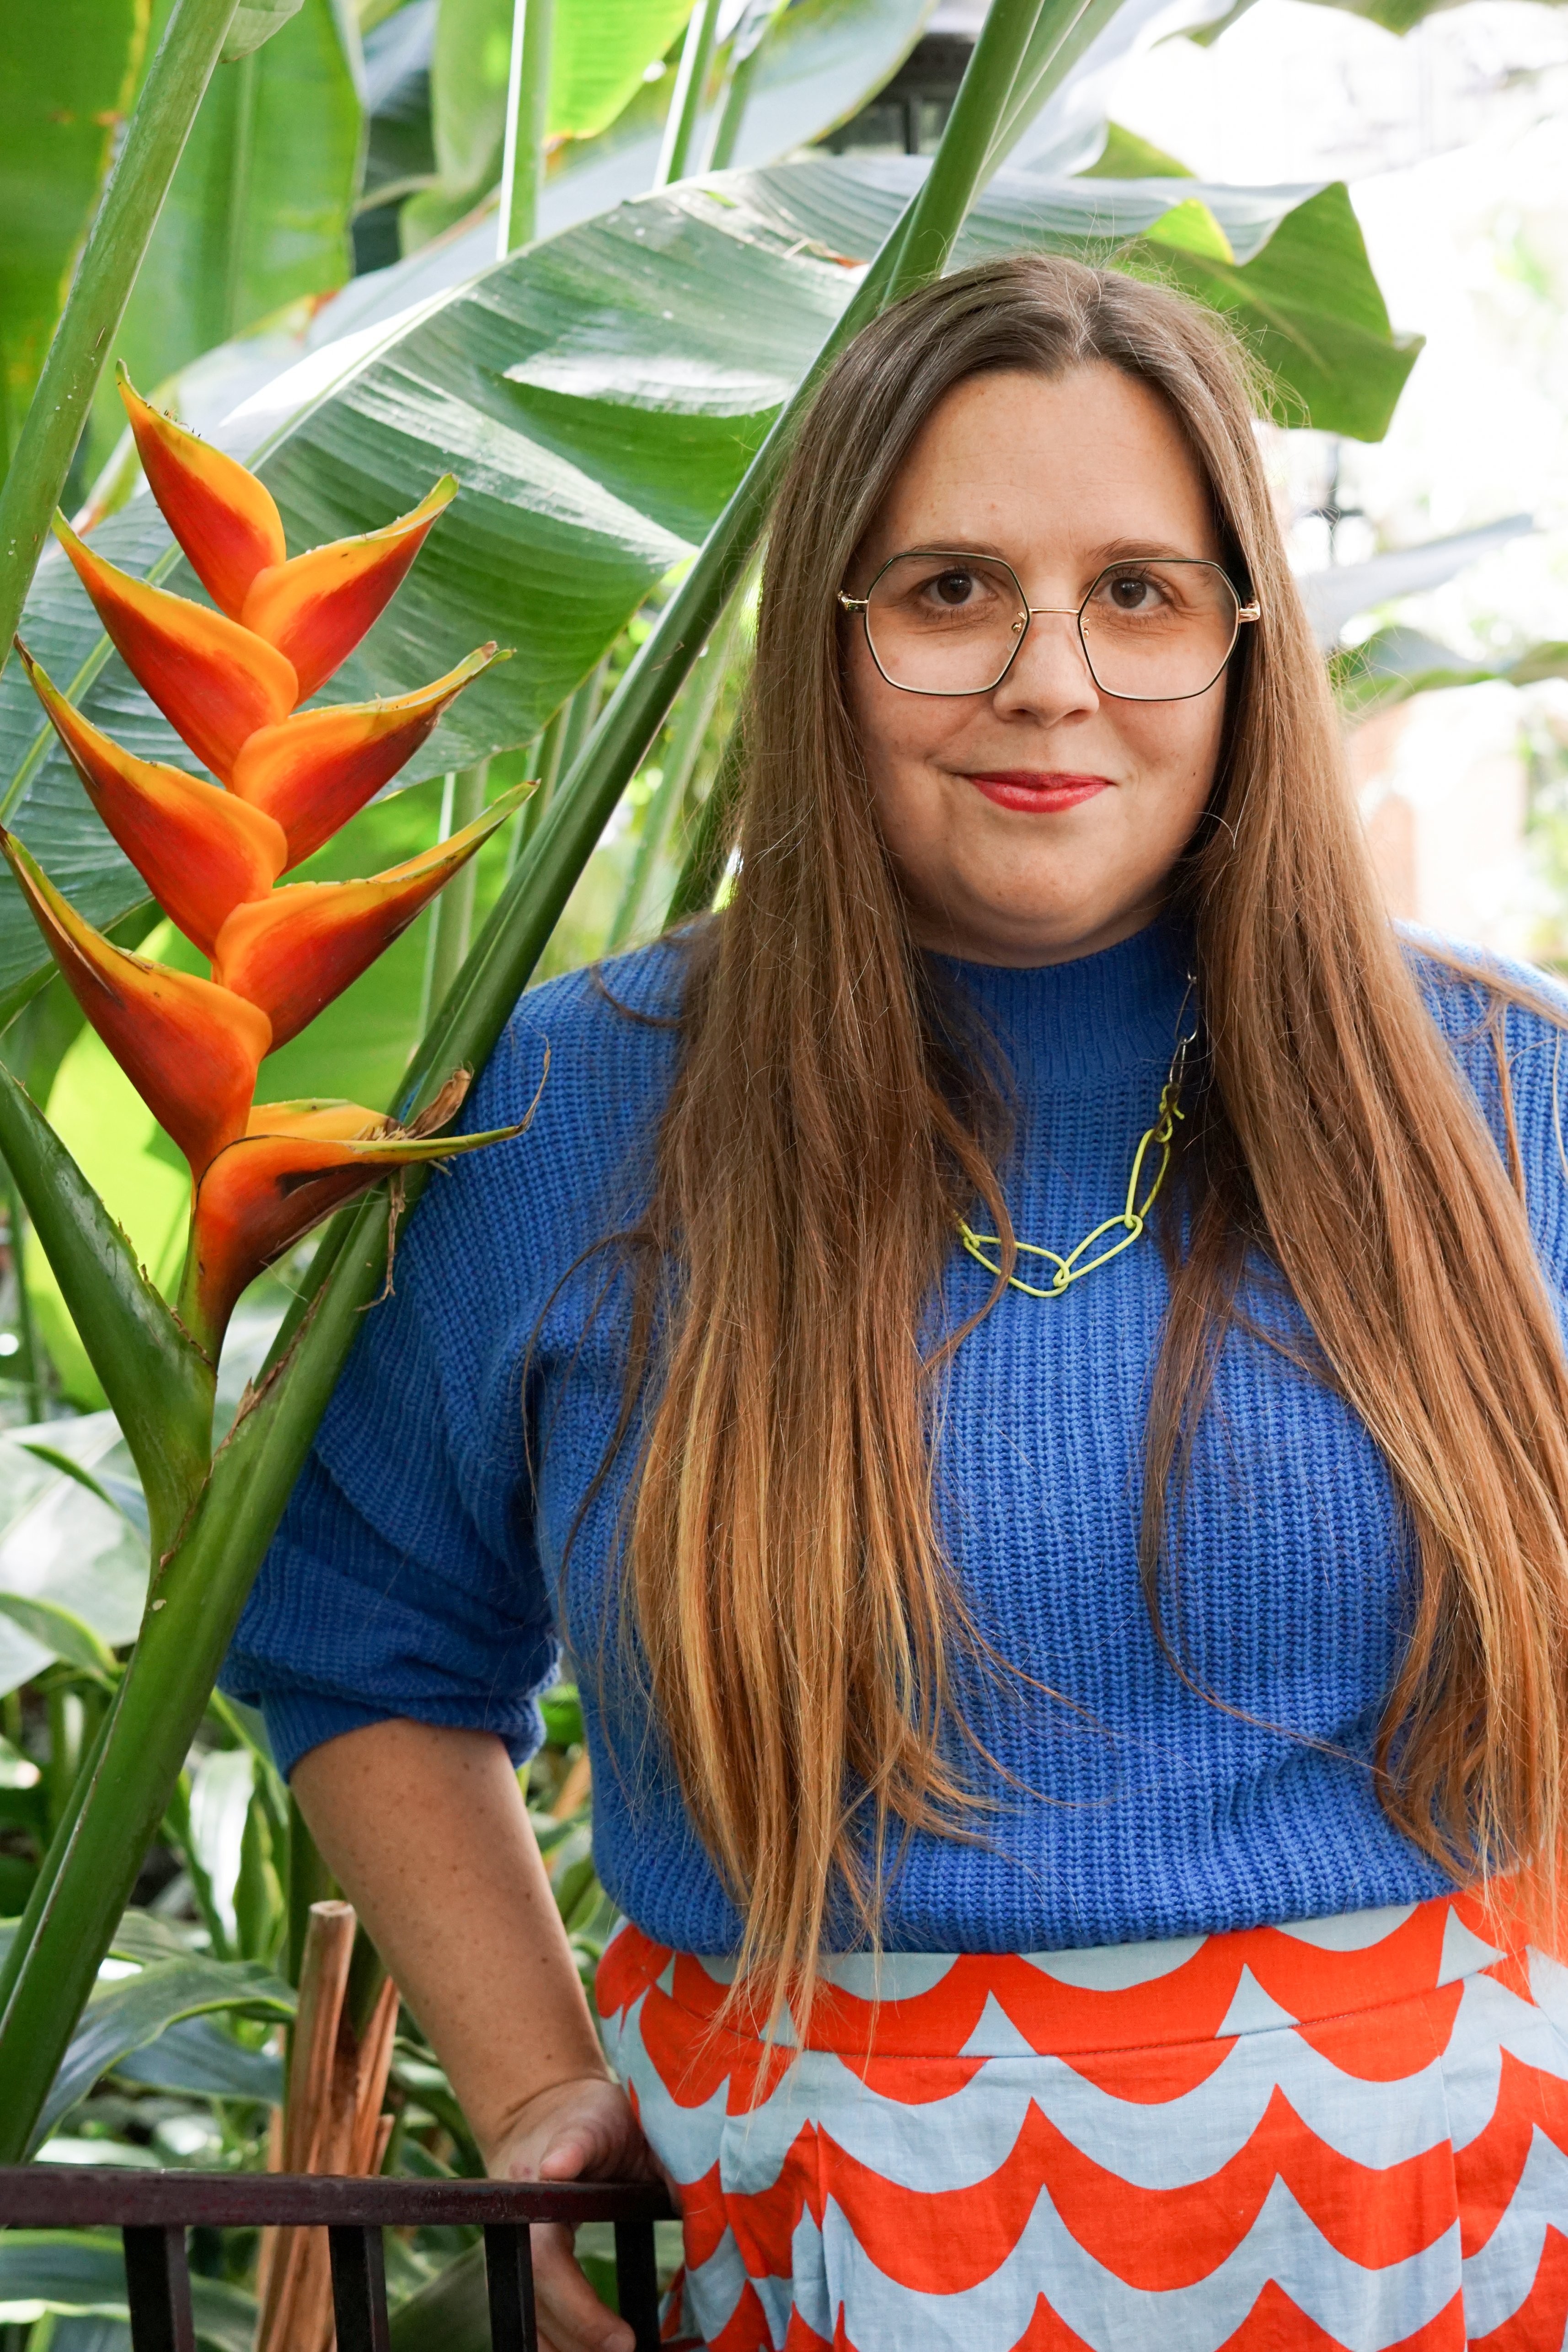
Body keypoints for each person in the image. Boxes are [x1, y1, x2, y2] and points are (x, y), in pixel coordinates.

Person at [223, 255, 1568, 2352]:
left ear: (1243, 638)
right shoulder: (573, 1111)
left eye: (1139, 588)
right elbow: (352, 1630)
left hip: (1466, 2247)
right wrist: (537, 2078)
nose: (1052, 676)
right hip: (827, 2259)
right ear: (827, 640)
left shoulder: (1504, 1084)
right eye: (952, 588)